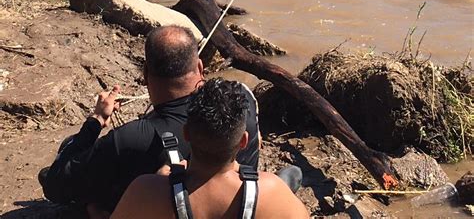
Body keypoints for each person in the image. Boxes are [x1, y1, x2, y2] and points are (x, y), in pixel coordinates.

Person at [39, 26, 259, 214]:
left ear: (145, 74)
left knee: (72, 153)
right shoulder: (242, 101)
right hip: (238, 205)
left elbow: (55, 187)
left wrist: (96, 120)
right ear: (200, 67)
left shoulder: (132, 140)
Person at [111, 79, 310, 219]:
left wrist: (162, 181)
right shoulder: (271, 191)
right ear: (243, 141)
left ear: (186, 134)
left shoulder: (146, 190)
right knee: (293, 174)